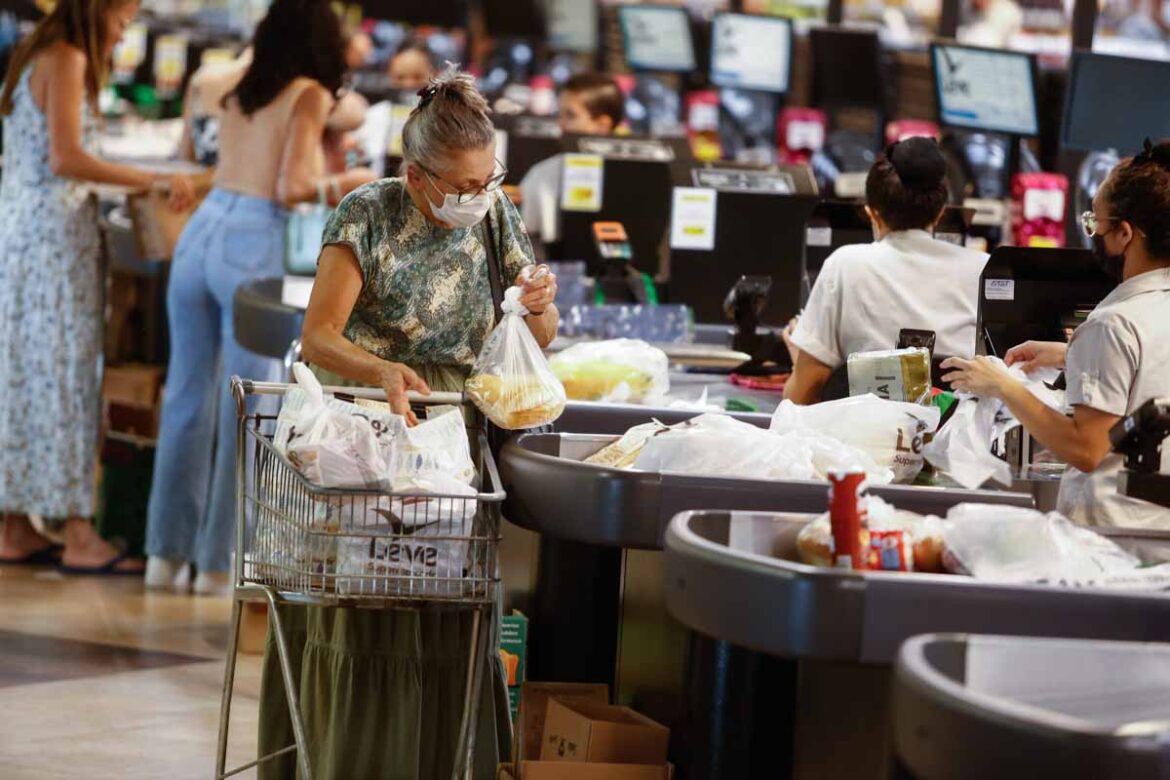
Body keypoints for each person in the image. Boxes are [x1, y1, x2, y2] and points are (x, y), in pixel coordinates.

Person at [258, 66, 558, 779]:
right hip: (365, 434)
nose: (475, 198)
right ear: (415, 175)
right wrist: (381, 371)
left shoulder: (494, 215)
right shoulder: (366, 213)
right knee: (366, 600)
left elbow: (535, 333)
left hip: (456, 435)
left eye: (488, 181)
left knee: (445, 600)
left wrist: (540, 301)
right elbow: (318, 338)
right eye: (459, 187)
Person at [143, 0, 377, 596]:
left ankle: (164, 558)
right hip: (252, 242)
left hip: (201, 231)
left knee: (186, 399)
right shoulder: (307, 95)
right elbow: (294, 186)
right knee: (249, 409)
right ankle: (220, 565)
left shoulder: (234, 85)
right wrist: (352, 183)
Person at [0, 0, 194, 573]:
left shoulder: (37, 53)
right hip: (52, 242)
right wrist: (153, 178)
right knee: (65, 376)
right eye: (125, 16)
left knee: (29, 374)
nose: (127, 29)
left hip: (28, 235)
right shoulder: (67, 57)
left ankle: (13, 525)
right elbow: (67, 157)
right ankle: (79, 532)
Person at [942, 140, 1170, 531]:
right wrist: (1070, 355)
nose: (1092, 233)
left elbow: (1087, 449)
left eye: (1094, 223)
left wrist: (1004, 388)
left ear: (1125, 235)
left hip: (1113, 539)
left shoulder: (1113, 323)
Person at [784, 137, 989, 405]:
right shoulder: (983, 270)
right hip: (957, 443)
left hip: (862, 443)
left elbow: (802, 396)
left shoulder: (845, 265)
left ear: (873, 213)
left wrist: (799, 361)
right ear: (940, 213)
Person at [519, 71, 625, 244]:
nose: (561, 124)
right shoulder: (542, 174)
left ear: (602, 125)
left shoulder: (632, 177)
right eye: (559, 114)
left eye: (571, 116)